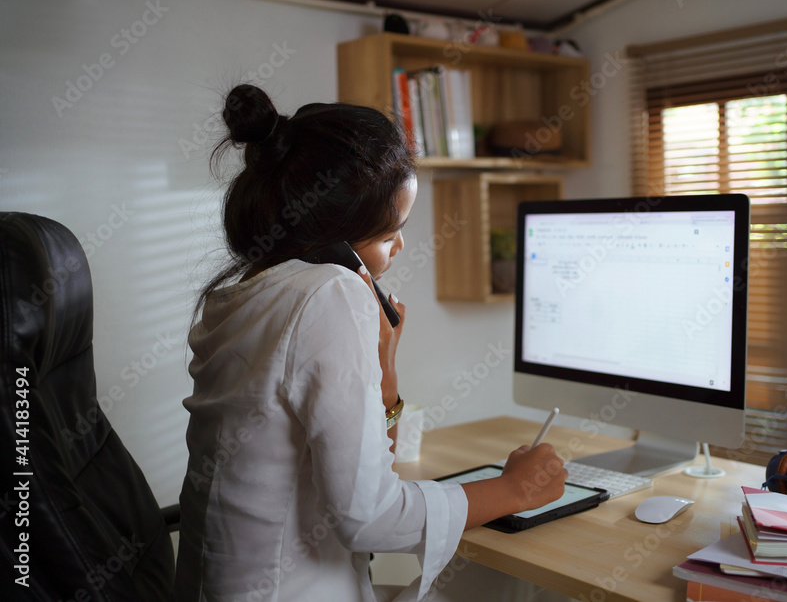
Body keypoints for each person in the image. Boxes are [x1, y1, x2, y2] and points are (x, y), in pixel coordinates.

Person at [173, 84, 567, 602]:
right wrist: (516, 489)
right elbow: (371, 517)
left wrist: (384, 364)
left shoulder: (243, 297)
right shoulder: (330, 292)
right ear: (334, 243)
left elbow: (363, 464)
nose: (400, 246)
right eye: (388, 235)